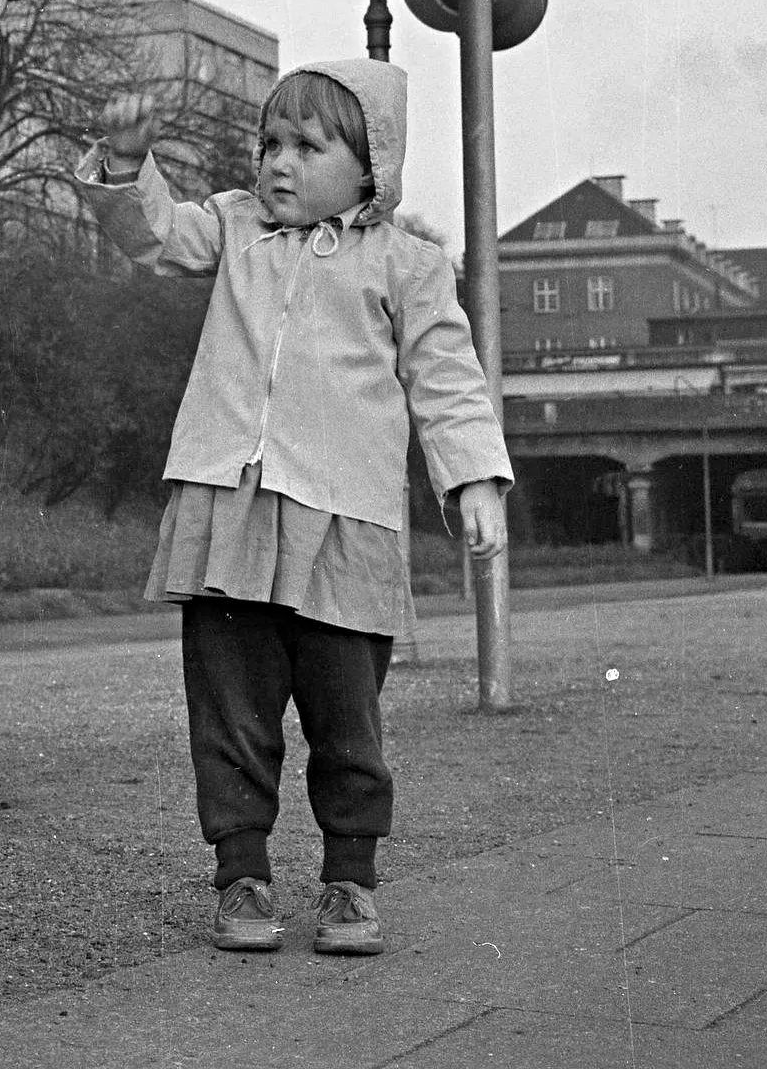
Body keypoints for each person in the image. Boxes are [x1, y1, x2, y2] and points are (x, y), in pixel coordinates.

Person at [77, 58, 511, 957]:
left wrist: (472, 476)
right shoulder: (234, 226)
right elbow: (154, 234)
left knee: (346, 713)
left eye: (307, 147)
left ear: (371, 167)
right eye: (270, 142)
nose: (278, 162)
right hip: (229, 506)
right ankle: (242, 874)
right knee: (230, 706)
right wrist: (127, 166)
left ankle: (349, 880)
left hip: (344, 518)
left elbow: (447, 377)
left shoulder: (409, 263)